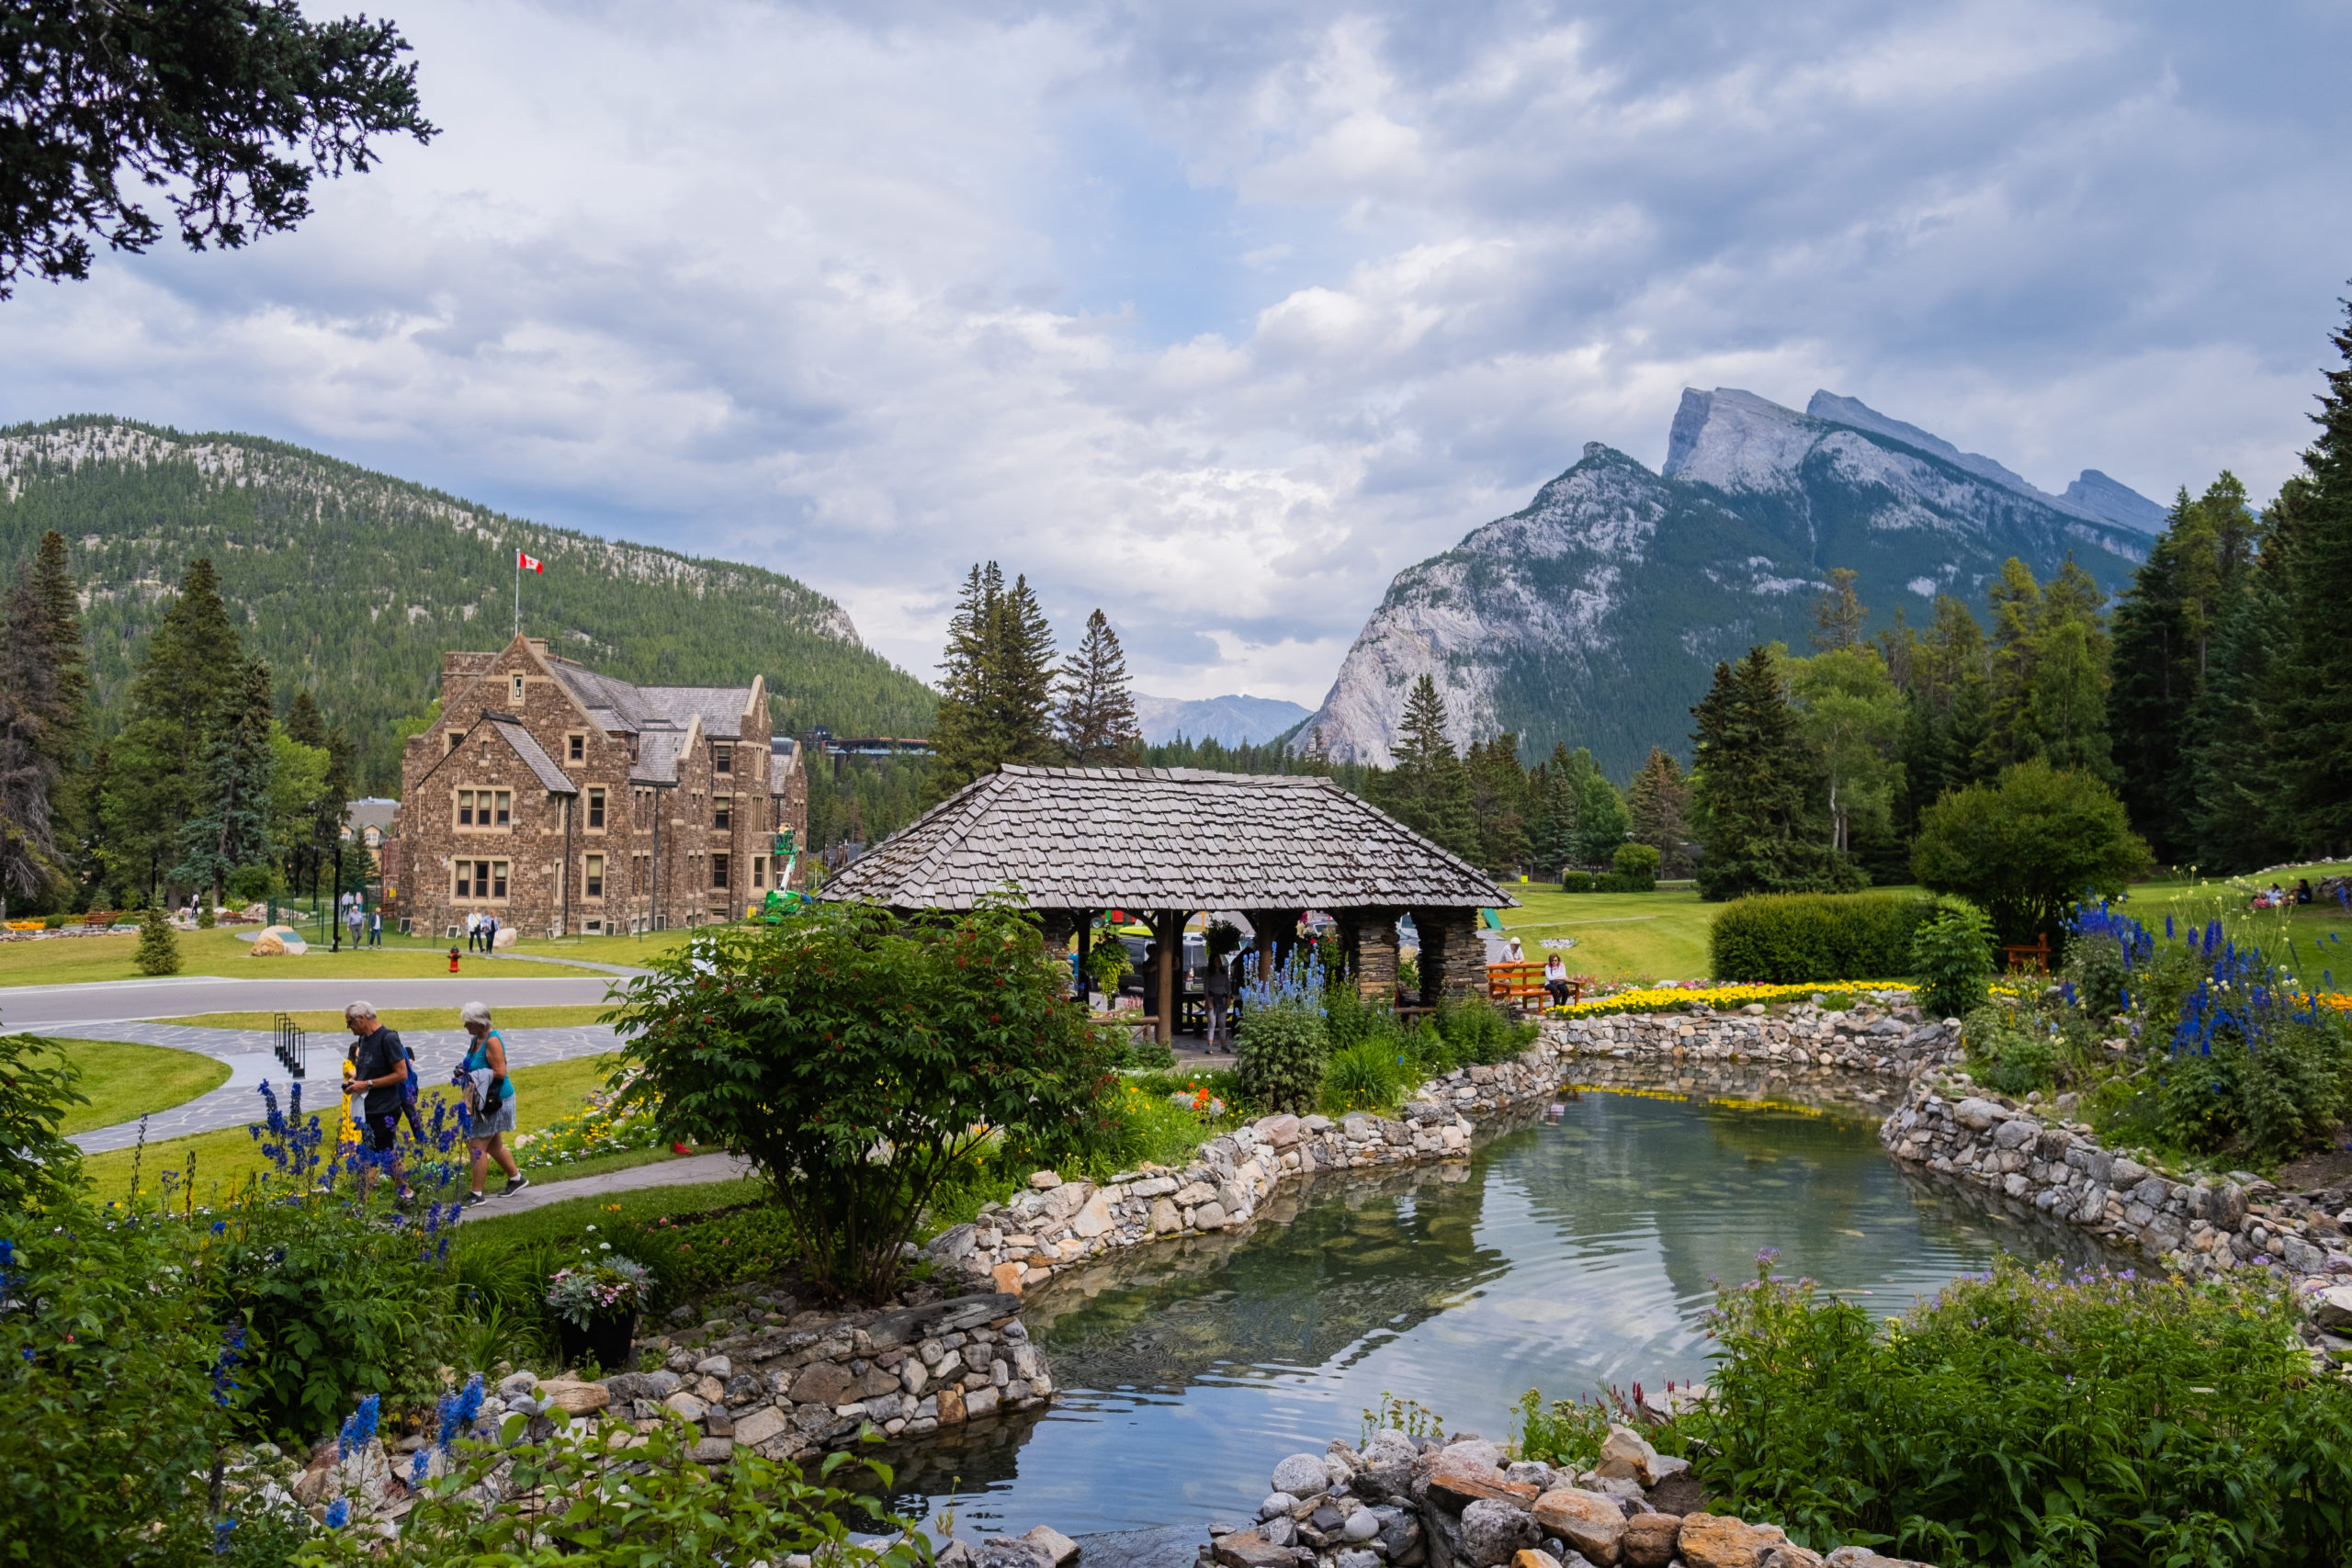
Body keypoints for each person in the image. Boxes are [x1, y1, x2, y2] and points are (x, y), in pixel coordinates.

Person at [457, 1001, 528, 1204]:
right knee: (494, 1145)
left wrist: (472, 1074)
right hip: (484, 1099)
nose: (465, 1027)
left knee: (476, 1145)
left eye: (468, 1023)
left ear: (480, 1022)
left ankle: (476, 1194)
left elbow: (500, 1072)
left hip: (495, 1100)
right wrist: (464, 1071)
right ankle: (516, 1179)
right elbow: (476, 1063)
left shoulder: (492, 1041)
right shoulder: (477, 1038)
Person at [343, 1001, 415, 1202]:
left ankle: (361, 1202)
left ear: (362, 1019)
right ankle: (406, 1193)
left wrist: (367, 1084)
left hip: (385, 1107)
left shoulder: (388, 1038)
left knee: (373, 1154)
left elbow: (400, 1074)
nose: (349, 1028)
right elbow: (368, 1071)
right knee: (386, 1152)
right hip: (368, 1106)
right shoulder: (364, 1039)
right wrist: (356, 1082)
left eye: (350, 1023)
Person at [1204, 949, 1233, 1047]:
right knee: (1212, 1022)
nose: (1218, 962)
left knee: (1222, 1023)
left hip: (1222, 998)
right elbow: (1206, 988)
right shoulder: (1209, 973)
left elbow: (1228, 987)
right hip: (1212, 998)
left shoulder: (1224, 972)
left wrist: (1229, 999)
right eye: (1216, 960)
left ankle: (1223, 1044)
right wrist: (1208, 1001)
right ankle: (1209, 1045)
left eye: (1219, 960)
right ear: (1212, 962)